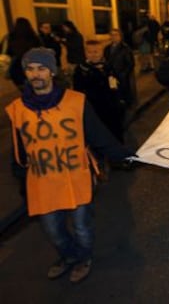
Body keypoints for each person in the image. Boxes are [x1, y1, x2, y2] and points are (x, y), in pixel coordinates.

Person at [5, 47, 139, 284]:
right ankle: (68, 256)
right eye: (30, 69)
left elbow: (100, 138)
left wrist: (130, 155)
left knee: (82, 228)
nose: (36, 74)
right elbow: (19, 151)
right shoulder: (18, 109)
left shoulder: (76, 102)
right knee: (53, 232)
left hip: (76, 178)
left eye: (42, 68)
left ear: (52, 72)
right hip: (42, 182)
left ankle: (83, 258)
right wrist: (21, 182)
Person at [73, 40, 125, 144]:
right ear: (85, 53)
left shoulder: (108, 66)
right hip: (93, 108)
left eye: (96, 51)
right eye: (90, 52)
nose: (93, 55)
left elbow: (116, 82)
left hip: (111, 107)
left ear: (101, 52)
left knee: (114, 132)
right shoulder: (81, 70)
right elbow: (78, 90)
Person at [4, 17, 41, 90]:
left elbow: (7, 52)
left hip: (16, 66)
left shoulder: (11, 37)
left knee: (21, 88)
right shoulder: (33, 37)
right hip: (31, 64)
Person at [104, 29, 136, 107]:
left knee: (124, 91)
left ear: (120, 37)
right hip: (111, 75)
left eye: (116, 35)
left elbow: (130, 63)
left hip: (121, 74)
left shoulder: (125, 48)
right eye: (111, 35)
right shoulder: (107, 48)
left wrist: (124, 73)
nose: (113, 37)